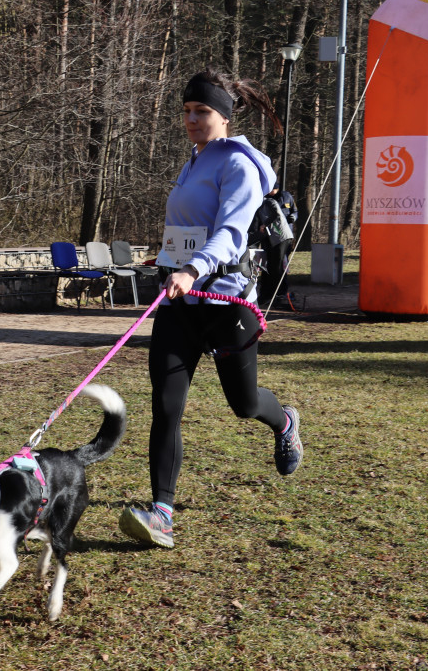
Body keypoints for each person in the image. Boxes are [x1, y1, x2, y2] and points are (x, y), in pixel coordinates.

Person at [118, 68, 302, 549]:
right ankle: (162, 512)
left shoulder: (238, 164)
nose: (193, 120)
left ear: (223, 115)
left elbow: (230, 234)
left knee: (243, 404)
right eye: (186, 112)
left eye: (202, 111)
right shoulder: (192, 162)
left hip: (227, 302)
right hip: (180, 301)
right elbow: (190, 227)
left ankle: (284, 422)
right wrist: (169, 258)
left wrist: (194, 269)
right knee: (165, 405)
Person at [252, 186, 297, 306]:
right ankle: (267, 294)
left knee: (277, 266)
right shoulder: (259, 205)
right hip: (271, 238)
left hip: (281, 237)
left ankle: (280, 294)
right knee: (269, 267)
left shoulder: (270, 201)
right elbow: (256, 223)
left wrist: (265, 224)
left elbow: (277, 214)